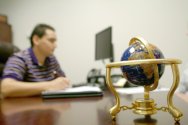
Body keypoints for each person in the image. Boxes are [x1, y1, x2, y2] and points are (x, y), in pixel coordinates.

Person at [1, 24, 70, 98]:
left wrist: (63, 82)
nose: (56, 45)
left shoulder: (51, 58)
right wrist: (50, 85)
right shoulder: (20, 58)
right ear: (36, 40)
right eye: (51, 40)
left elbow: (62, 81)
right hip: (25, 107)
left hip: (47, 105)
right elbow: (6, 88)